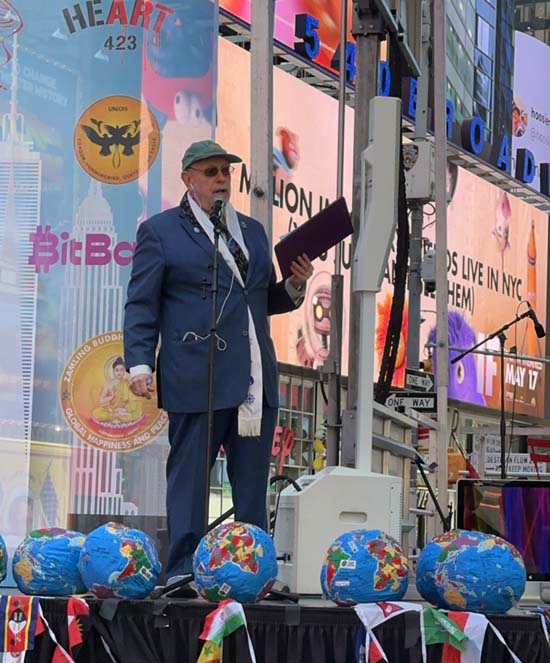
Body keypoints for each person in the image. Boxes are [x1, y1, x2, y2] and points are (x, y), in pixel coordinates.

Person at [123, 139, 313, 595]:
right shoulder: (161, 232)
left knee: (252, 486)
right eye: (210, 172)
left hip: (253, 377)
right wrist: (138, 365)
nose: (221, 180)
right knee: (188, 480)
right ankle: (185, 569)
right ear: (188, 179)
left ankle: (251, 571)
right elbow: (141, 304)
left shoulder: (251, 231)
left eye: (225, 171)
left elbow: (261, 299)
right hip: (195, 375)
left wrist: (294, 286)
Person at [92, 356, 143, 425]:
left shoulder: (127, 383)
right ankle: (117, 414)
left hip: (125, 409)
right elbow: (101, 400)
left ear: (124, 371)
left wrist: (126, 409)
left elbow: (133, 400)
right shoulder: (108, 385)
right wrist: (112, 397)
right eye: (117, 370)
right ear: (113, 371)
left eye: (121, 370)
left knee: (138, 411)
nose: (119, 372)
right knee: (97, 413)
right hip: (111, 410)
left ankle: (119, 414)